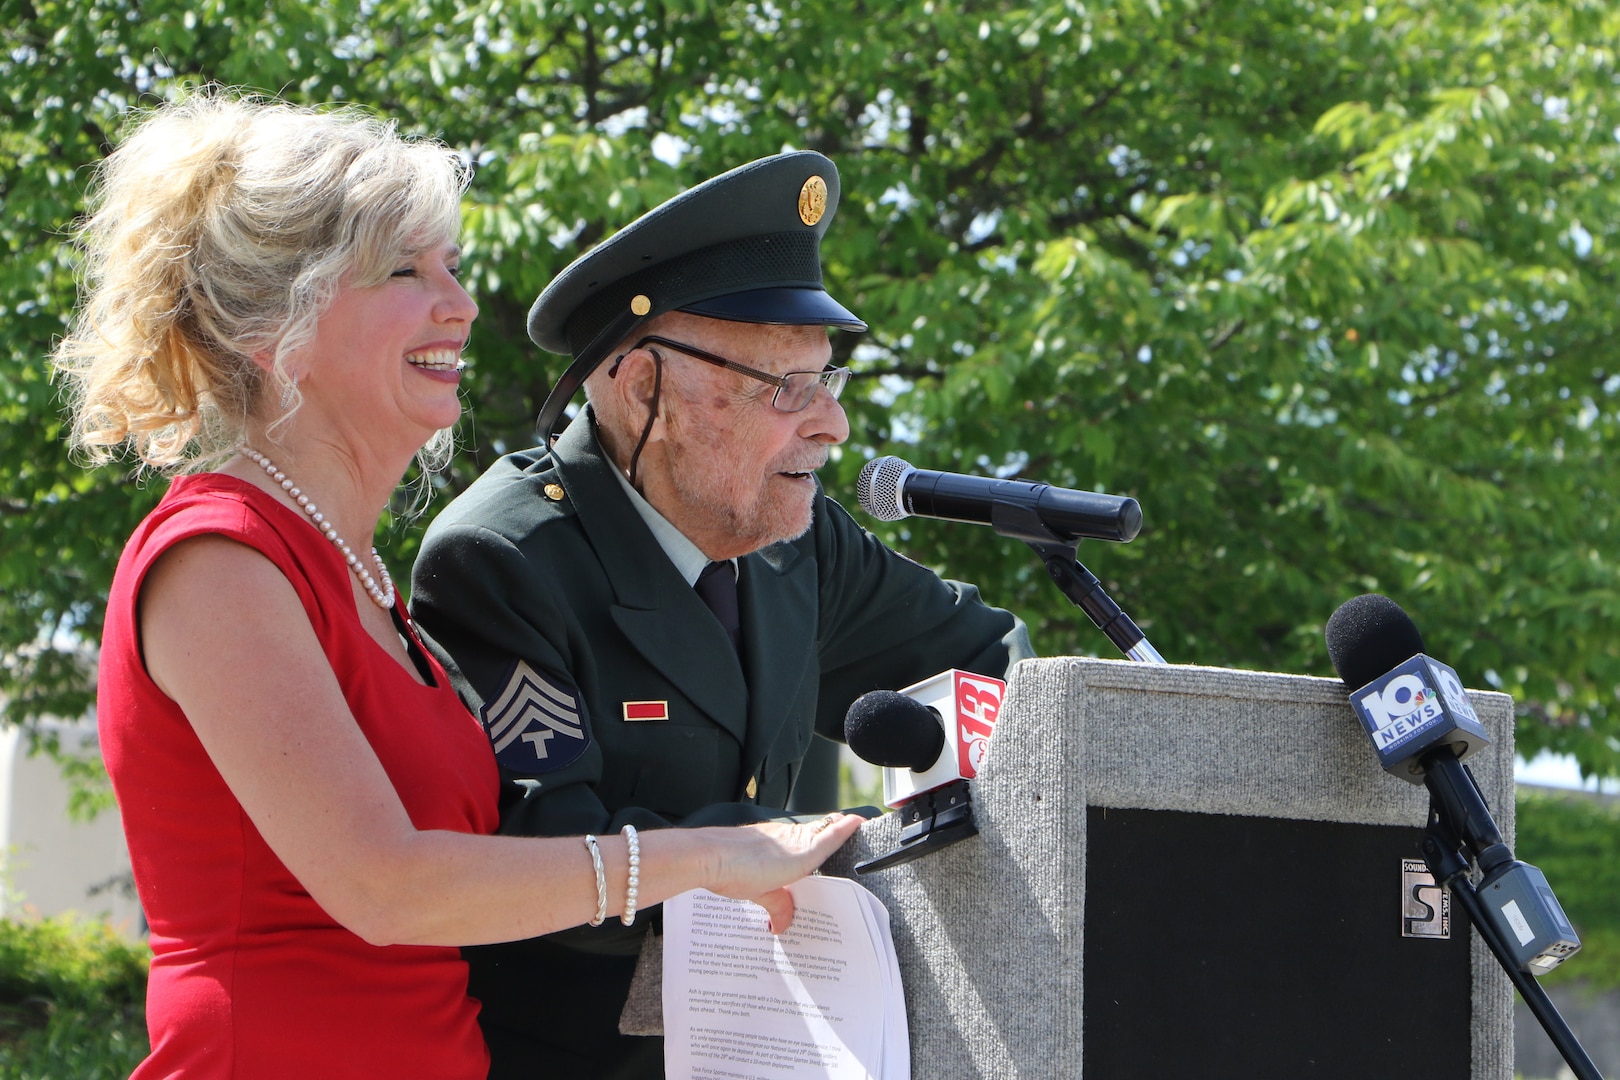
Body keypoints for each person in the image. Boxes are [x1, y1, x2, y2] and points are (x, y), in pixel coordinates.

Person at [50, 90, 862, 1080]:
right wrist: (717, 857)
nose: (463, 305)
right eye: (406, 270)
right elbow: (385, 885)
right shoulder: (218, 558)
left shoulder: (358, 575)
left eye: (454, 268)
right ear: (277, 321)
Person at [411, 150, 1035, 1077]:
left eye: (828, 381)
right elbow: (547, 851)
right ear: (638, 385)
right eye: (782, 387)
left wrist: (951, 823)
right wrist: (799, 859)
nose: (830, 426)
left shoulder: (797, 538)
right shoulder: (505, 559)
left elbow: (992, 666)